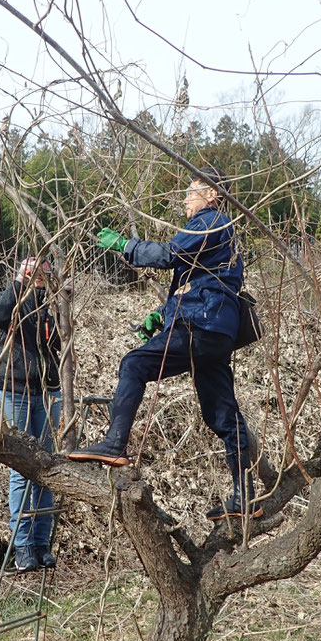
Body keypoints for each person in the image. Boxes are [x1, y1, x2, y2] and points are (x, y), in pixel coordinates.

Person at [66, 166, 263, 521]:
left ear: (212, 194)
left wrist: (126, 246)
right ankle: (245, 497)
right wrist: (161, 313)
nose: (186, 200)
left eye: (191, 192)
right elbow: (203, 280)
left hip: (201, 323)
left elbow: (169, 254)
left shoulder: (210, 221)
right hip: (218, 331)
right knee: (222, 415)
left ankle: (114, 444)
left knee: (134, 365)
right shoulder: (226, 235)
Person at [0, 257, 63, 571]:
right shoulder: (16, 303)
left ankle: (41, 544)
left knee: (46, 468)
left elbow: (61, 341)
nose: (40, 277)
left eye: (44, 272)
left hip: (47, 392)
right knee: (21, 470)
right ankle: (22, 548)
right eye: (36, 271)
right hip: (14, 389)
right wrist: (20, 281)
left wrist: (61, 300)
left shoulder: (52, 305)